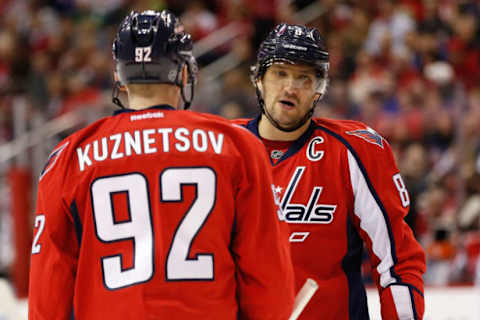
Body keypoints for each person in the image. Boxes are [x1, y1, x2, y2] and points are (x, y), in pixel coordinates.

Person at [28, 10, 295, 320]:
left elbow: (48, 293)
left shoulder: (70, 156)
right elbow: (268, 281)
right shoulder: (238, 146)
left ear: (119, 76)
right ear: (183, 73)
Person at [233, 23, 426, 319]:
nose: (290, 87)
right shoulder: (222, 150)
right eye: (280, 73)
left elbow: (398, 261)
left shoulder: (354, 150)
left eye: (304, 78)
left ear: (318, 90)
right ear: (259, 79)